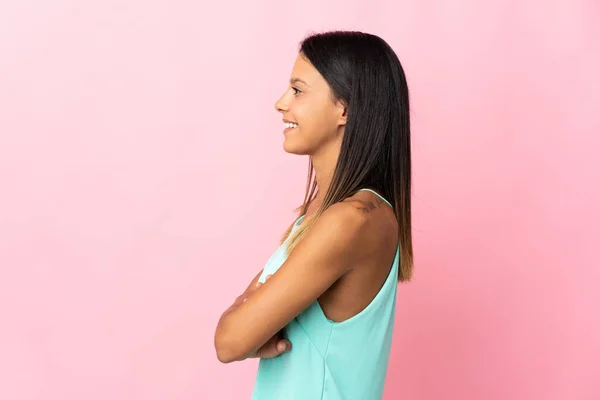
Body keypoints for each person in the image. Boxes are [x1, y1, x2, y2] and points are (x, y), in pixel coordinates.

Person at [214, 30, 414, 399]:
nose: (280, 103)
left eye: (298, 90)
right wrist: (244, 324)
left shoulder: (351, 221)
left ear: (345, 108)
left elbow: (229, 340)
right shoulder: (319, 217)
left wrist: (249, 322)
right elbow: (234, 336)